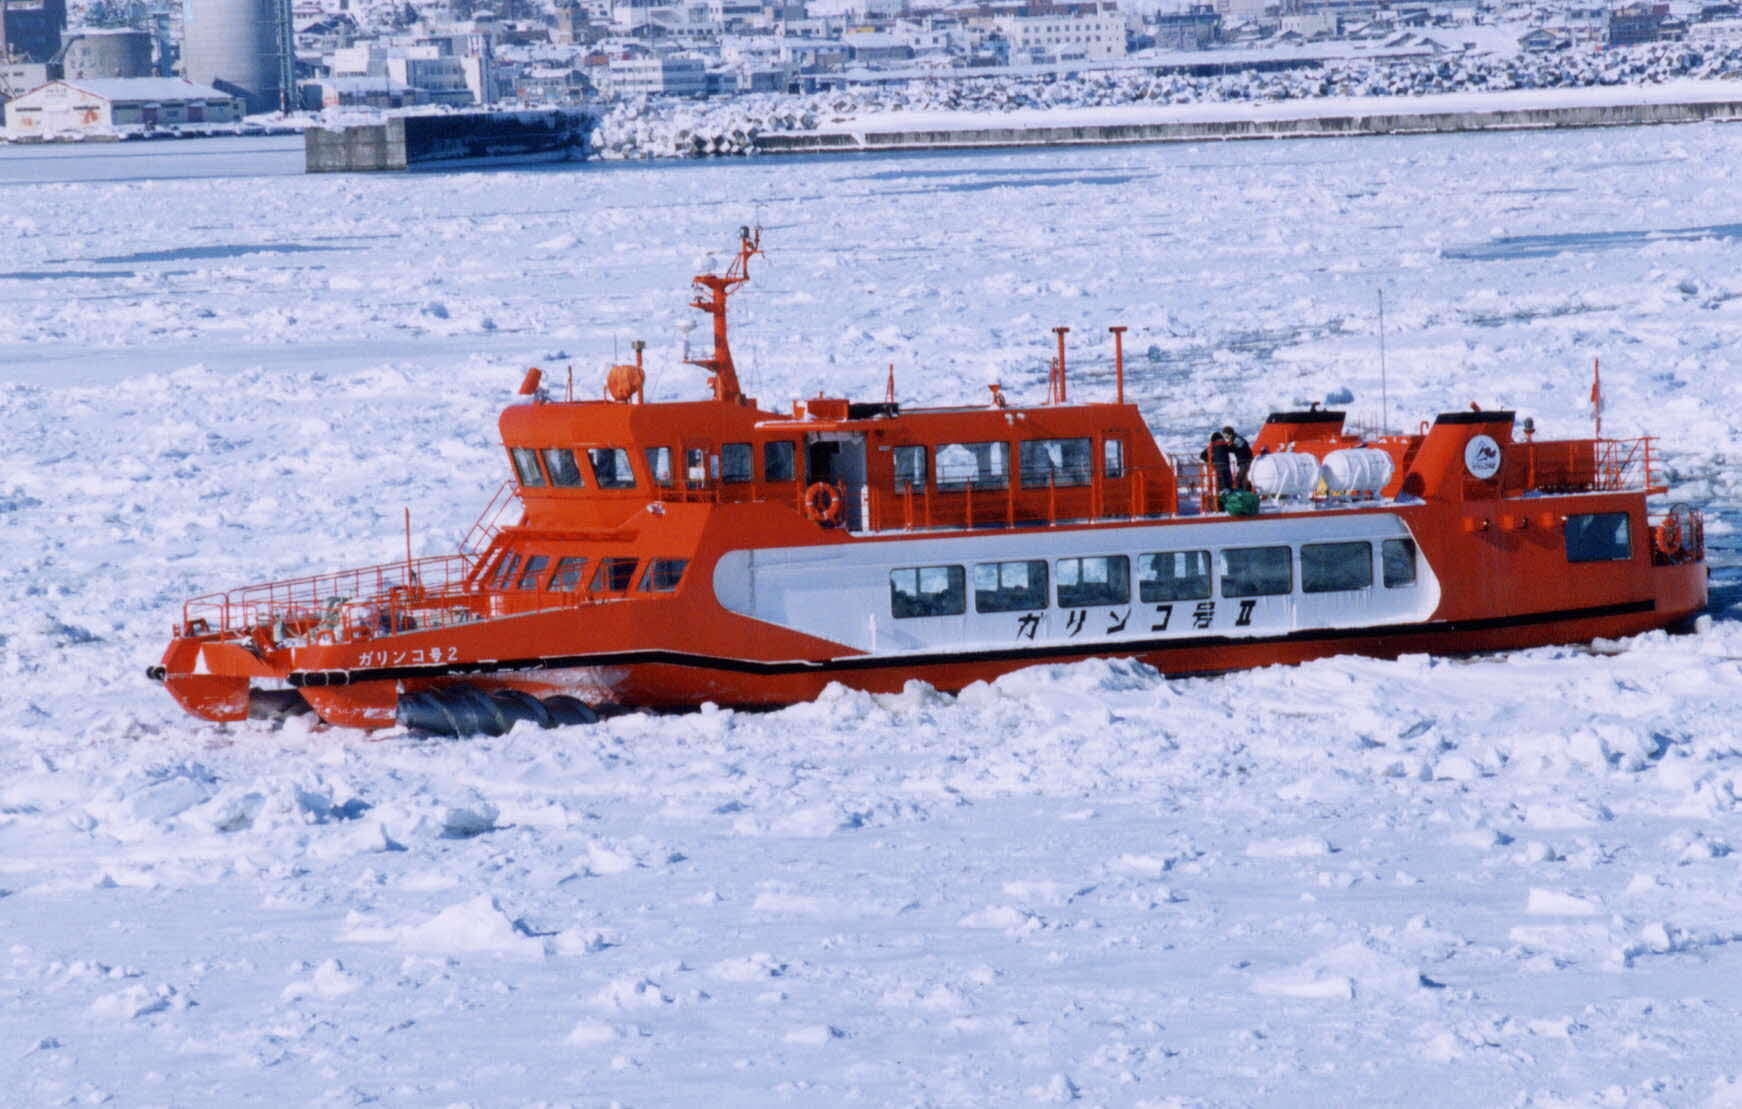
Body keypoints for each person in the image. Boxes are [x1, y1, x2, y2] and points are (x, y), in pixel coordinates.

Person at [1223, 426, 1254, 491]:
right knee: (1242, 478)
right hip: (1244, 460)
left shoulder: (1237, 439)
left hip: (1245, 461)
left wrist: (1225, 448)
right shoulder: (1235, 439)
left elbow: (1237, 447)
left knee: (1240, 478)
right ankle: (1243, 492)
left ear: (1229, 434)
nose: (1225, 437)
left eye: (1225, 435)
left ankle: (1241, 492)